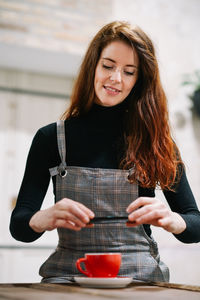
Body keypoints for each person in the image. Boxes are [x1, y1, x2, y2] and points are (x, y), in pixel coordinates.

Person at [10, 20, 200, 283]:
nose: (116, 79)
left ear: (139, 80)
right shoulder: (51, 138)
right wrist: (43, 218)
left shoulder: (156, 142)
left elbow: (195, 225)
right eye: (108, 66)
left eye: (129, 71)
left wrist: (173, 219)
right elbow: (19, 227)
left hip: (141, 279)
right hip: (68, 276)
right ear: (93, 66)